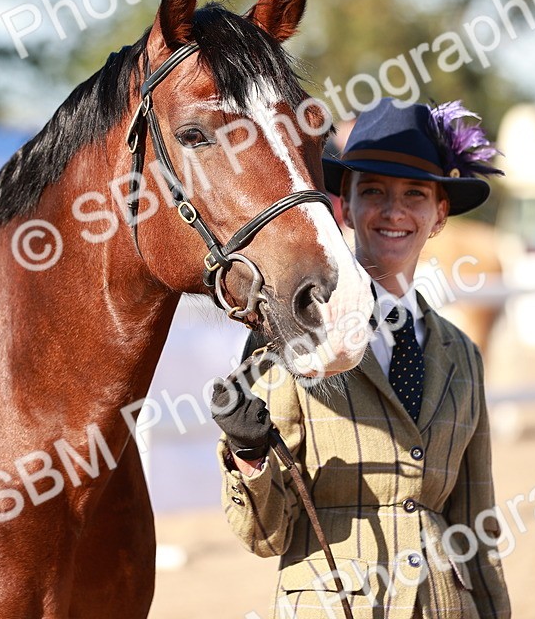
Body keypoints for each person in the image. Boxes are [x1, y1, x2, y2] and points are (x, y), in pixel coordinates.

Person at [212, 98, 511, 619]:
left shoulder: (462, 356)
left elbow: (476, 525)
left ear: (439, 214)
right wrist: (249, 452)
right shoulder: (291, 344)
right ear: (344, 208)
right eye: (372, 192)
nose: (393, 212)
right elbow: (264, 535)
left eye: (414, 195)